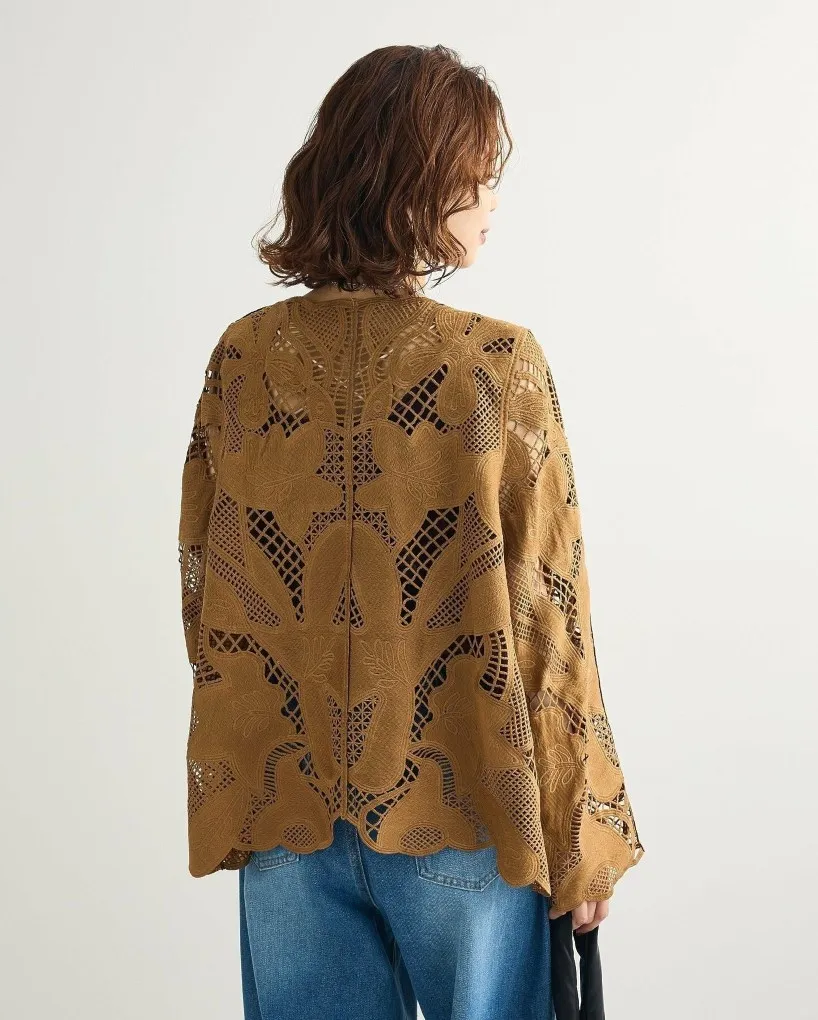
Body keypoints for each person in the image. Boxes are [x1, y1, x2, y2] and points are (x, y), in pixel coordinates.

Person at [177, 43, 644, 1020]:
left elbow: (206, 586)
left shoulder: (245, 359)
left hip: (289, 813)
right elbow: (547, 617)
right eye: (478, 175)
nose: (491, 200)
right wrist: (584, 829)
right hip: (466, 806)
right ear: (417, 183)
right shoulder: (495, 367)